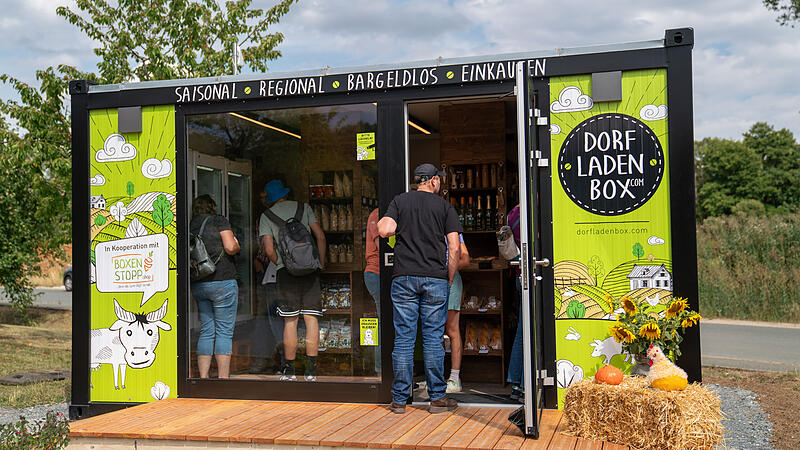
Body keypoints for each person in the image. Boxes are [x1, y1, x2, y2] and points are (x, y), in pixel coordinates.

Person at [378, 163, 461, 414]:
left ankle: (399, 400)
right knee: (433, 338)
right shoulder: (445, 207)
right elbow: (455, 248)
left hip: (404, 278)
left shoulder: (400, 201)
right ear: (433, 180)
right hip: (435, 278)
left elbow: (385, 230)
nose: (440, 183)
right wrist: (448, 277)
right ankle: (437, 398)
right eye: (440, 179)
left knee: (404, 338)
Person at [260, 180, 326, 382]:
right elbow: (320, 236)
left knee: (290, 321)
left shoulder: (266, 216)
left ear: (271, 198)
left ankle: (289, 371)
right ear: (285, 193)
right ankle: (311, 371)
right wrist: (320, 263)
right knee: (311, 319)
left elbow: (269, 250)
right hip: (310, 270)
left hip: (286, 273)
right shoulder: (304, 208)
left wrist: (281, 263)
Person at [190, 195, 240, 378]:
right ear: (212, 206)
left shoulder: (190, 225)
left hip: (200, 283)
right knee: (224, 332)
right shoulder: (219, 220)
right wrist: (237, 244)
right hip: (222, 280)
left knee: (206, 331)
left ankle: (203, 378)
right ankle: (222, 380)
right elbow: (230, 247)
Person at [445, 233, 470, 393]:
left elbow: (465, 259)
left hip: (451, 281)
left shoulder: (452, 229)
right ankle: (434, 377)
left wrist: (446, 268)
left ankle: (454, 378)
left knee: (452, 330)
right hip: (432, 282)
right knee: (432, 330)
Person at [505, 204, 524, 401]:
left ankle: (517, 382)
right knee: (529, 331)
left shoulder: (512, 214)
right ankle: (526, 384)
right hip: (530, 274)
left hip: (518, 274)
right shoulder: (530, 211)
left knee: (522, 330)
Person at [364, 207, 381, 375]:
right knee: (385, 323)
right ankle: (381, 370)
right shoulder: (378, 214)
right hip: (377, 274)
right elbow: (383, 247)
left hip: (377, 274)